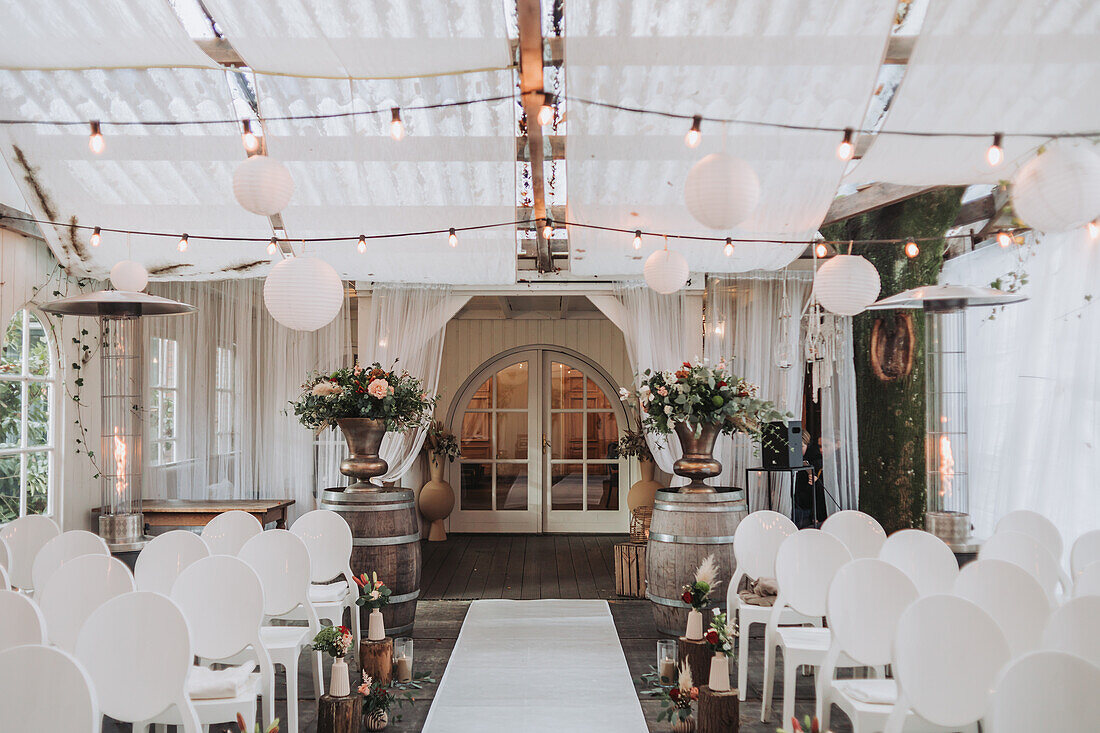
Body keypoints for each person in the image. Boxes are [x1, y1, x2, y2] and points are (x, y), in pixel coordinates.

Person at [793, 432, 826, 528]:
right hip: (799, 503)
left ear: (807, 444)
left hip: (808, 507)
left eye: (801, 446)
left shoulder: (815, 462)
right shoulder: (797, 460)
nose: (798, 450)